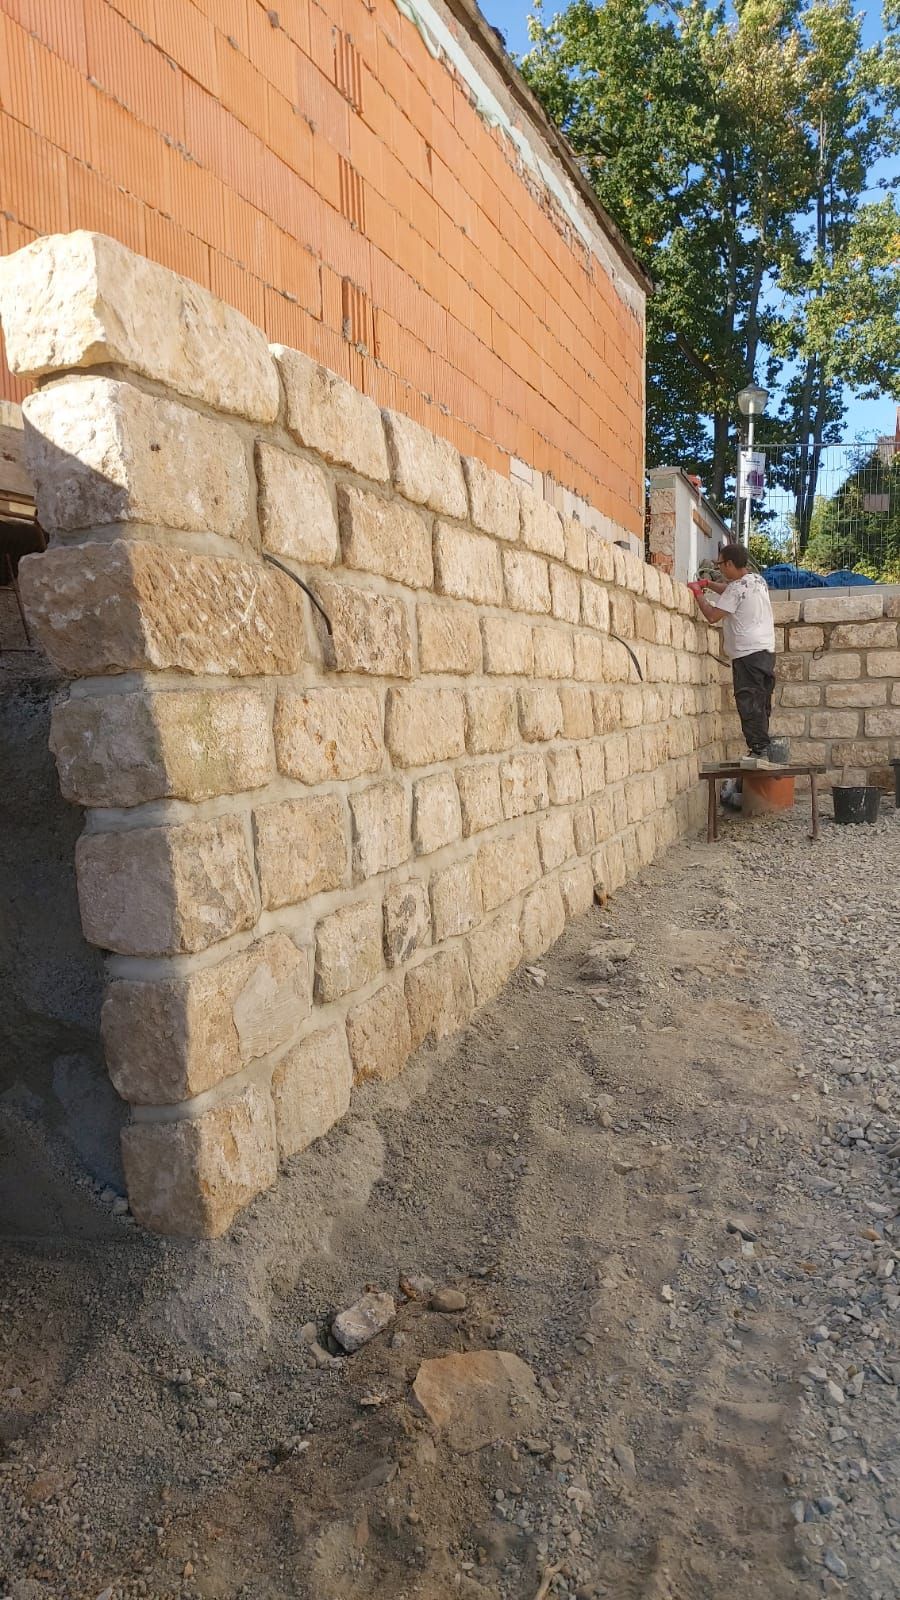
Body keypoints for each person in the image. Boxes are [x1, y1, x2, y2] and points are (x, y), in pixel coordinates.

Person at [692, 543, 779, 770]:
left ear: (730, 563)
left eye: (720, 564)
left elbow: (712, 616)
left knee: (749, 703)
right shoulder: (757, 581)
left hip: (747, 655)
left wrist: (698, 593)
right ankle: (764, 748)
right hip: (766, 653)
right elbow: (733, 593)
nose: (719, 568)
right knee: (761, 702)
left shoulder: (735, 589)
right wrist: (711, 585)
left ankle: (759, 749)